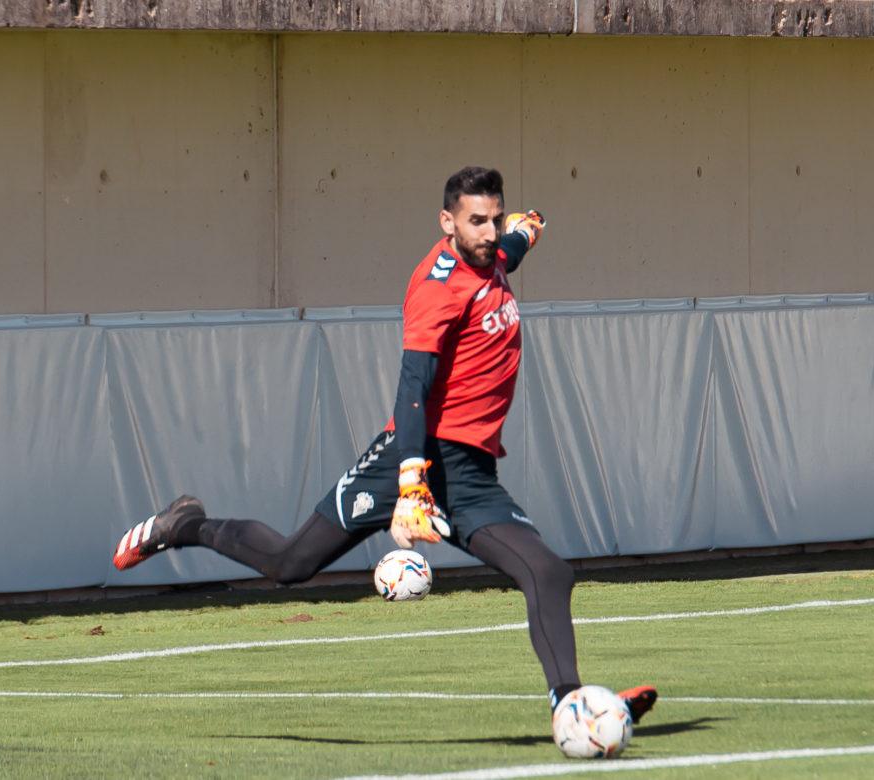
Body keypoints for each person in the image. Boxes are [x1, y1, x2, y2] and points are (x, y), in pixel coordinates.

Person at [111, 165, 657, 726]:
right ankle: (184, 526)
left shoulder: (491, 252)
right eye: (476, 222)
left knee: (548, 573)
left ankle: (568, 704)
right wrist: (411, 481)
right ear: (447, 222)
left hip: (468, 474)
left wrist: (526, 230)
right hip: (415, 455)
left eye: (495, 219)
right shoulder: (437, 288)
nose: (490, 232)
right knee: (290, 564)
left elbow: (508, 248)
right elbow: (412, 387)